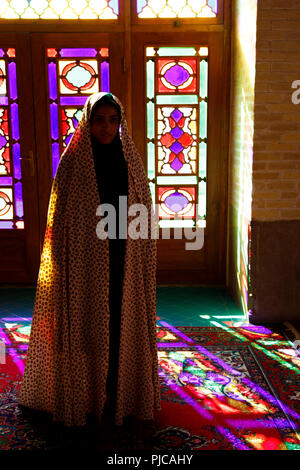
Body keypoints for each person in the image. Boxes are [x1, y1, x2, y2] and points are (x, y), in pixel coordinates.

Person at [17, 92, 161, 447]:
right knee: (87, 325)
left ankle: (118, 394)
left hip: (123, 256)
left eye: (113, 120)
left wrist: (138, 252)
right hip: (84, 263)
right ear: (88, 121)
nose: (107, 127)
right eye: (100, 120)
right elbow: (61, 220)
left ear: (120, 121)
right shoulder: (73, 163)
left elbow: (142, 206)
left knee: (118, 323)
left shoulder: (131, 159)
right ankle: (84, 397)